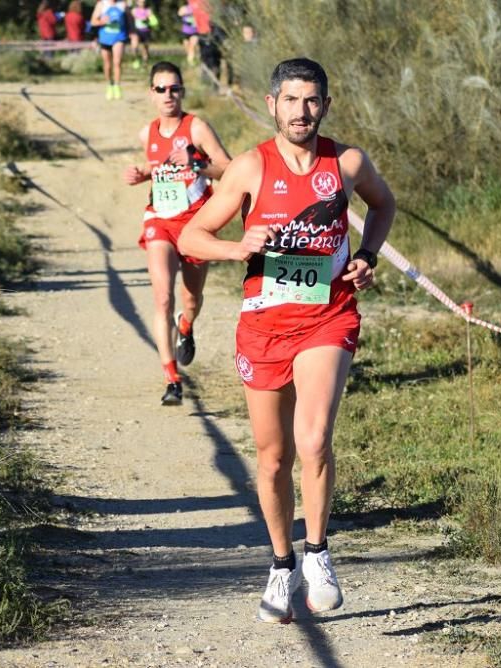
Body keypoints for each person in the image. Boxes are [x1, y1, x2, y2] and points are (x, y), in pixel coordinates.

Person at [179, 58, 395, 623]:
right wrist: (239, 245)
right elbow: (193, 236)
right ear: (272, 104)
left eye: (313, 101)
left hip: (329, 317)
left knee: (315, 438)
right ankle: (282, 565)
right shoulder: (251, 167)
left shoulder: (346, 162)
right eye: (292, 101)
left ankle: (319, 555)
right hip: (264, 325)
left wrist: (367, 256)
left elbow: (383, 203)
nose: (303, 112)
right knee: (274, 457)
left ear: (326, 104)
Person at [123, 61, 231, 405]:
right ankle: (172, 380)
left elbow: (228, 169)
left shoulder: (196, 127)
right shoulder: (147, 133)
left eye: (174, 88)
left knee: (190, 300)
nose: (168, 95)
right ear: (151, 94)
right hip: (160, 220)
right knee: (163, 298)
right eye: (161, 89)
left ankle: (186, 326)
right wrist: (143, 175)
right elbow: (159, 170)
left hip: (196, 224)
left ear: (182, 91)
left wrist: (195, 162)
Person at [90, 0, 128, 100]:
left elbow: (130, 20)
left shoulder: (123, 4)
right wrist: (102, 21)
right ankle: (109, 85)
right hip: (105, 38)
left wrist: (133, 33)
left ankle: (117, 86)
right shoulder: (102, 4)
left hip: (119, 37)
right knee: (107, 65)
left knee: (117, 62)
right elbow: (93, 21)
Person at [128, 0, 157, 70]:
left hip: (145, 31)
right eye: (140, 2)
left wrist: (147, 21)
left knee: (145, 49)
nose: (142, 3)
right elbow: (129, 21)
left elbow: (155, 22)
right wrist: (130, 32)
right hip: (136, 31)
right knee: (134, 46)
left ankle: (145, 63)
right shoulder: (134, 11)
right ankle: (135, 59)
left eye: (143, 2)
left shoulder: (148, 11)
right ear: (137, 2)